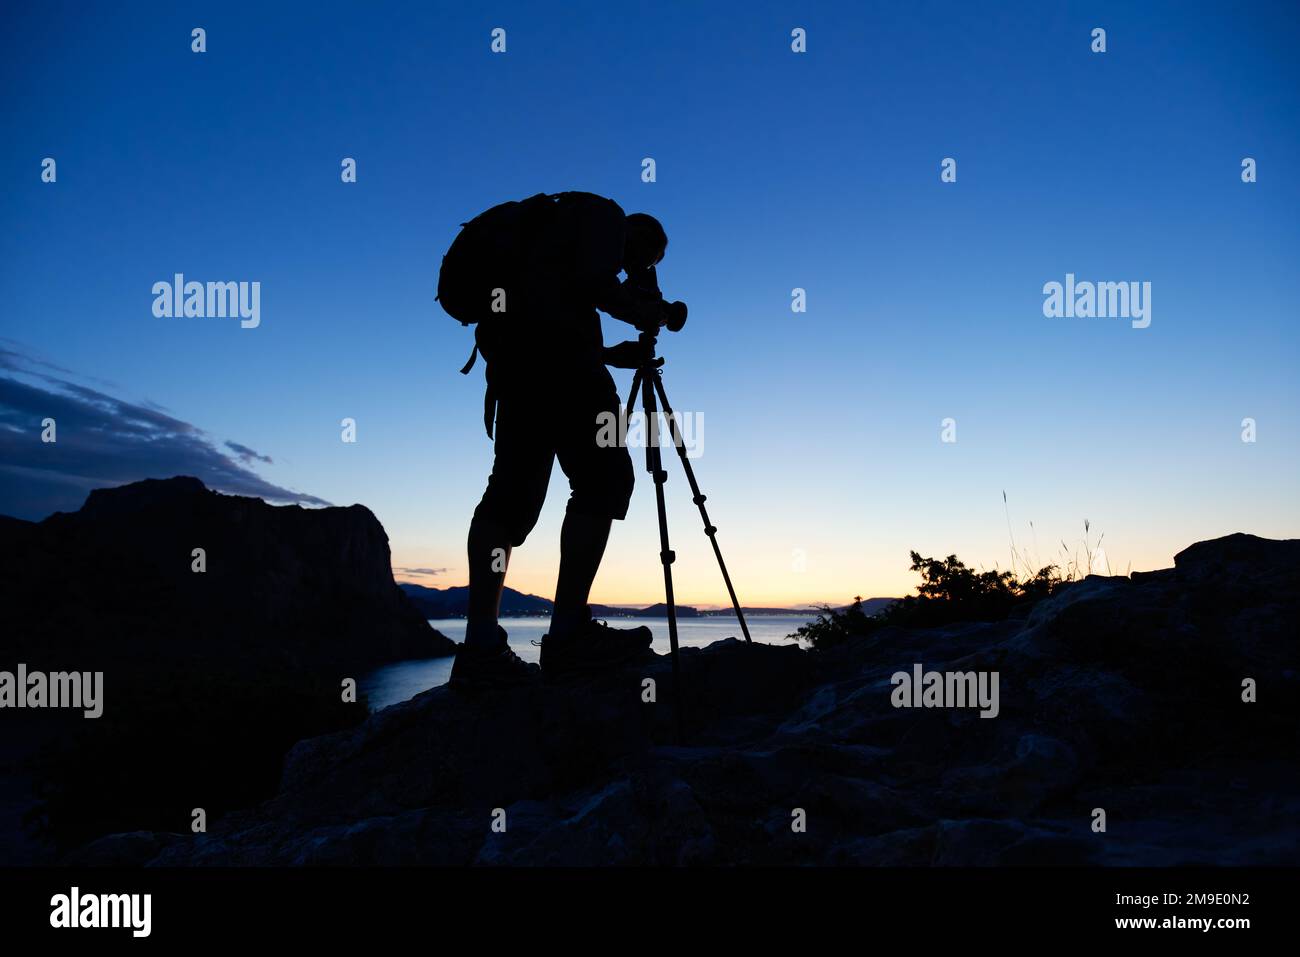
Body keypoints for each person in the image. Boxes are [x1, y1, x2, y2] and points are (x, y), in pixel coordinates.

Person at [449, 191, 676, 689]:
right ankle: (569, 636)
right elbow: (594, 286)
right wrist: (646, 311)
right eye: (649, 259)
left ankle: (480, 648)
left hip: (517, 372)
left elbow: (554, 310)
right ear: (642, 238)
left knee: (508, 501)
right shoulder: (605, 216)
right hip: (567, 376)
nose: (640, 269)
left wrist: (607, 354)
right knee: (604, 482)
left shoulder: (552, 233)